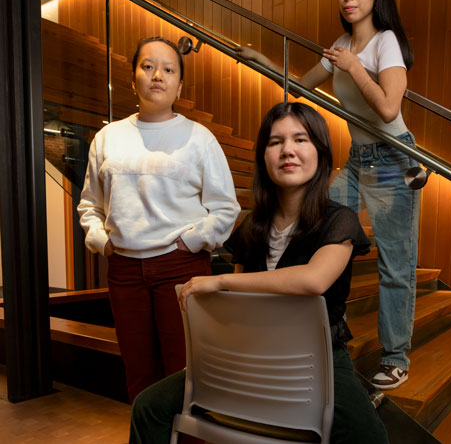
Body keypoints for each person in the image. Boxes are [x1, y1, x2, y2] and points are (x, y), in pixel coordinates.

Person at [129, 102, 389, 444]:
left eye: (301, 139)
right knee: (148, 407)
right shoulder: (253, 225)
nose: (288, 151)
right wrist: (204, 358)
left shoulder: (339, 220)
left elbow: (313, 280)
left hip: (317, 362)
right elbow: (236, 310)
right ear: (264, 157)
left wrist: (221, 280)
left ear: (321, 153)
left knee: (370, 438)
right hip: (249, 355)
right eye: (275, 142)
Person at [236, 0, 419, 390]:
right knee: (315, 220)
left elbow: (390, 106)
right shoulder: (340, 45)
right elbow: (301, 86)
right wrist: (262, 60)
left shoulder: (385, 42)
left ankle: (396, 358)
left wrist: (355, 67)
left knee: (396, 265)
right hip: (358, 160)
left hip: (394, 162)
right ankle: (310, 319)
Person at [77, 37, 240, 402]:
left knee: (187, 372)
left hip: (181, 267)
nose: (157, 75)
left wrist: (191, 242)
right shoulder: (108, 138)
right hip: (124, 268)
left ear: (179, 85)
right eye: (147, 66)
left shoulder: (200, 139)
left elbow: (226, 208)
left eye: (168, 69)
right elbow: (90, 205)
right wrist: (103, 242)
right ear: (133, 77)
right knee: (138, 372)